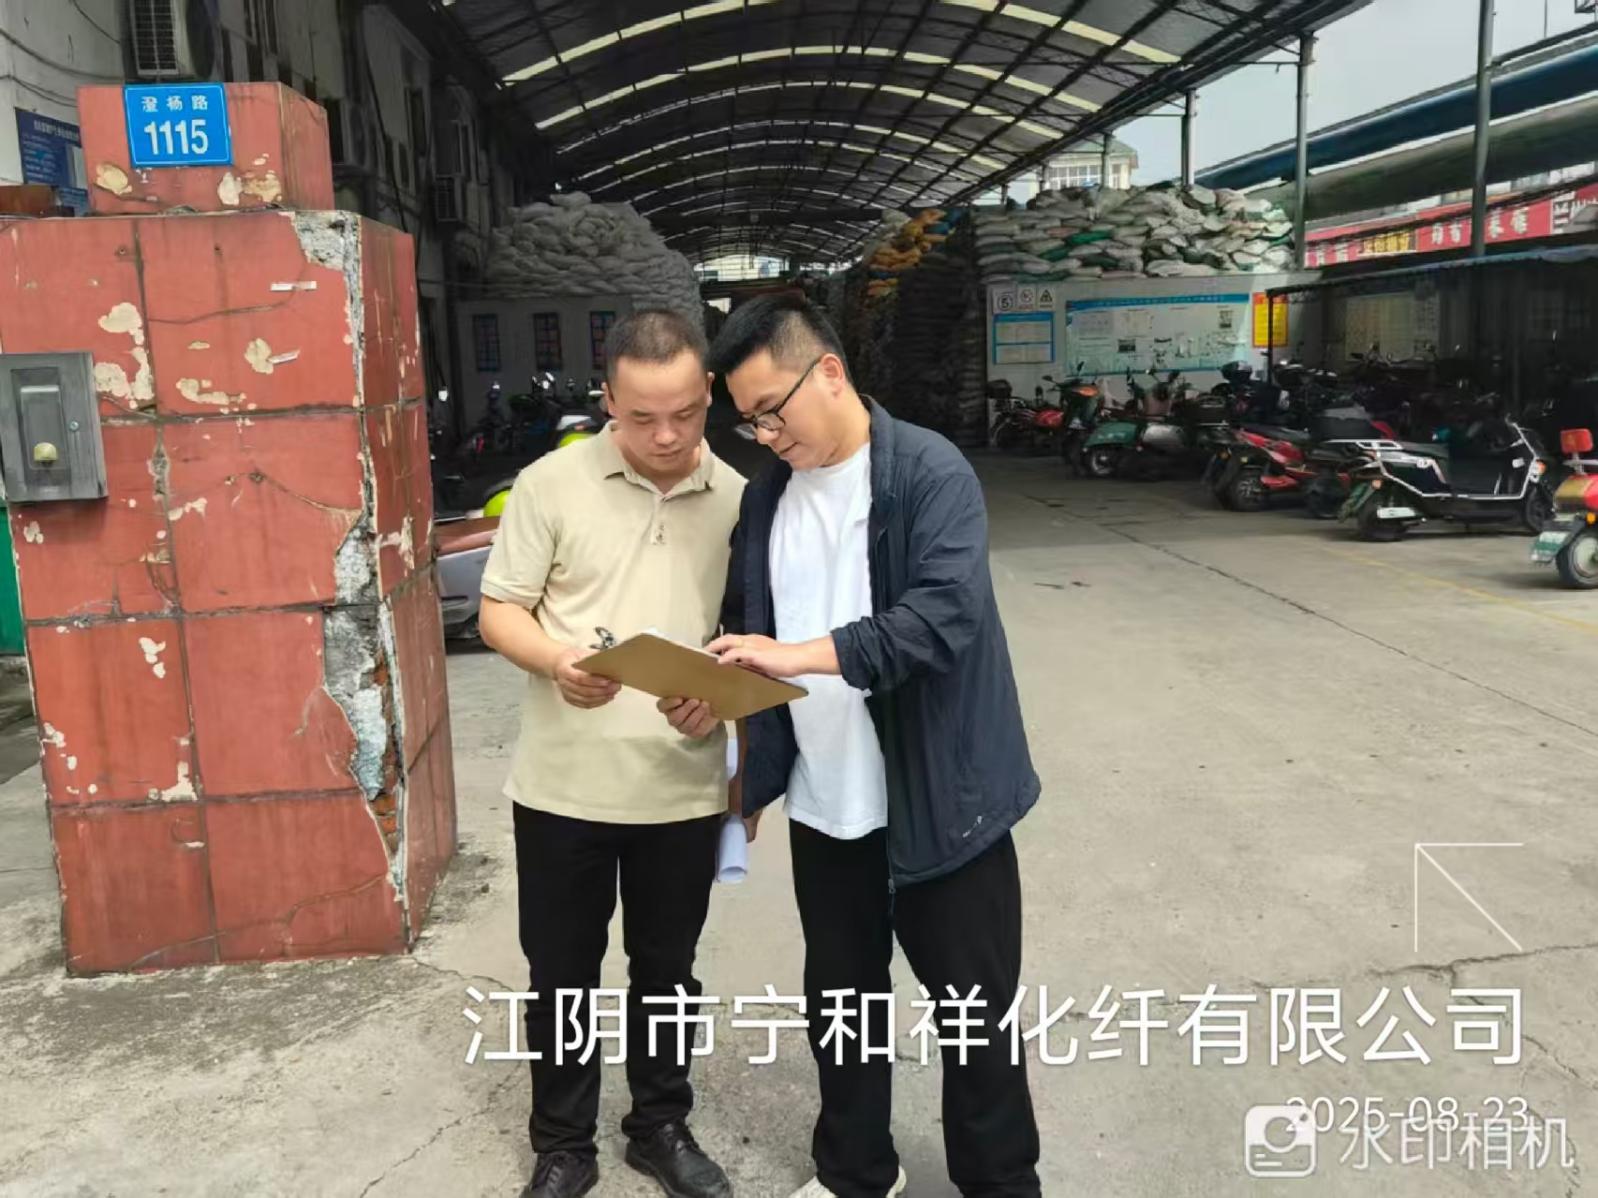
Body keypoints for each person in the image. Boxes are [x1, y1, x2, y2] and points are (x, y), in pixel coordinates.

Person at [675, 294, 1042, 1198]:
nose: (765, 436)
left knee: (974, 1017)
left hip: (943, 803)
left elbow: (939, 621)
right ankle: (855, 1174)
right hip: (828, 806)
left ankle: (1001, 1184)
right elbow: (748, 630)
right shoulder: (767, 499)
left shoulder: (927, 473)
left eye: (773, 411)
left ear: (829, 372)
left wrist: (793, 654)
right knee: (840, 1008)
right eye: (749, 421)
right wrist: (731, 730)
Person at [479, 308, 744, 1198]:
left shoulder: (739, 497)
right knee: (561, 974)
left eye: (685, 414)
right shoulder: (549, 484)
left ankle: (659, 1126)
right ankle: (563, 1144)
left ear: (709, 394)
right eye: (642, 417)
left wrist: (722, 702)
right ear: (608, 401)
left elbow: (751, 637)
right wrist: (556, 660)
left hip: (681, 787)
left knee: (667, 972)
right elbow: (499, 609)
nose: (666, 437)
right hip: (564, 790)